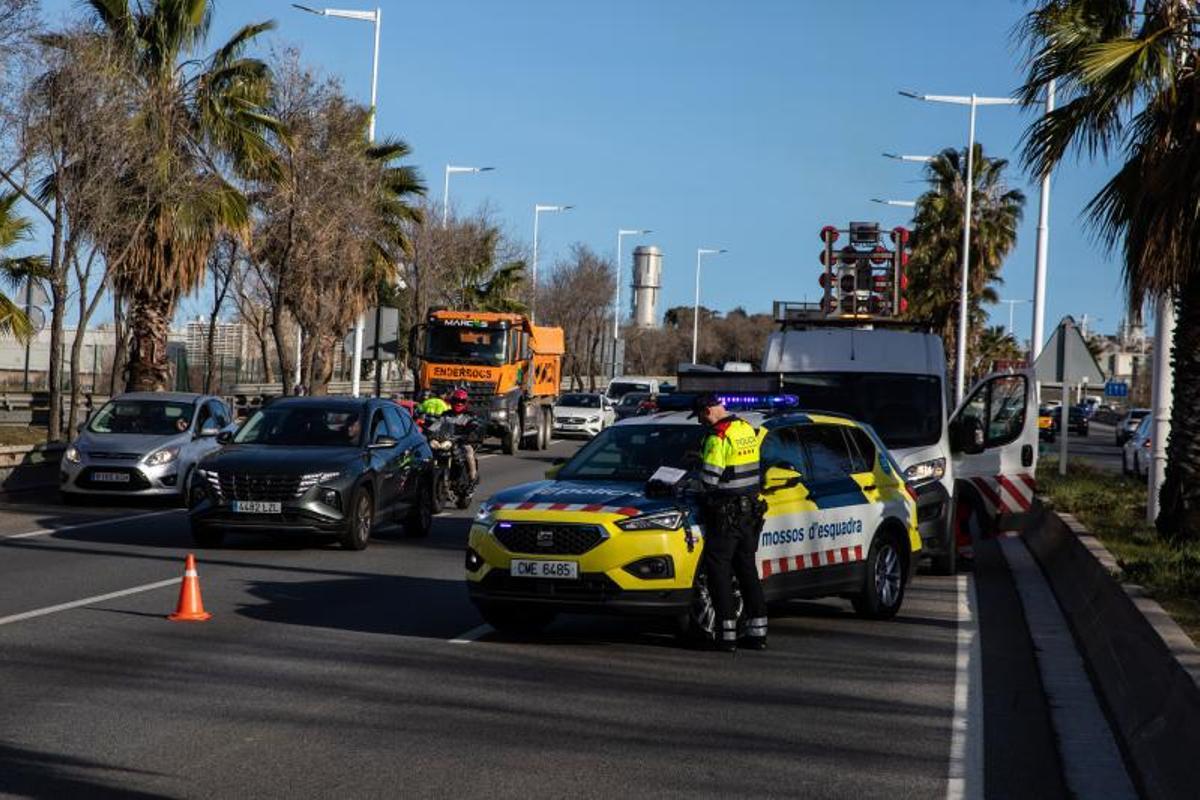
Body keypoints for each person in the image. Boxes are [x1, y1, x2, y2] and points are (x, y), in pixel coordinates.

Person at [692, 392, 768, 652]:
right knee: (747, 570)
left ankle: (726, 635)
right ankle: (758, 633)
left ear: (707, 411)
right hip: (750, 513)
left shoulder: (717, 437)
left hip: (726, 515)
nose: (701, 422)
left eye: (700, 417)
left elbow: (709, 481)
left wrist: (690, 480)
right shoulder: (746, 428)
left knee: (719, 571)